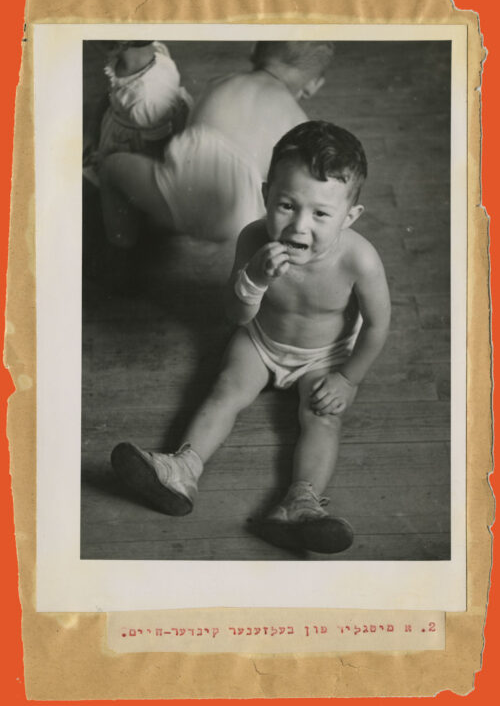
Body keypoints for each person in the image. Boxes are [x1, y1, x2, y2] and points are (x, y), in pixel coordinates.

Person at [111, 121, 391, 555]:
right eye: (286, 205)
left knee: (321, 417)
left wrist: (348, 379)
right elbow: (235, 313)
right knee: (225, 389)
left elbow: (376, 326)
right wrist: (253, 280)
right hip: (262, 340)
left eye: (320, 214)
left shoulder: (360, 260)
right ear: (265, 195)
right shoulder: (254, 238)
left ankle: (301, 502)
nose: (299, 226)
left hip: (324, 355)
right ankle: (182, 468)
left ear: (349, 216)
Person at [98, 41, 334, 247]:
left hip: (175, 194)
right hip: (237, 219)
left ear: (253, 50)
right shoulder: (299, 123)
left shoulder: (222, 83)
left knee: (111, 167)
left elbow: (189, 130)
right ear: (314, 85)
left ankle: (121, 244)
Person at [83, 40, 191, 184]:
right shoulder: (149, 52)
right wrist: (92, 130)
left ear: (116, 46)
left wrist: (107, 161)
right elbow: (112, 92)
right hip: (122, 121)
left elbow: (155, 156)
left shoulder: (147, 98)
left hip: (137, 148)